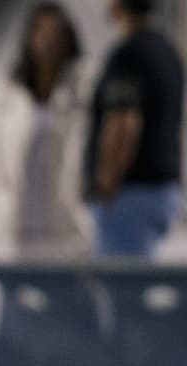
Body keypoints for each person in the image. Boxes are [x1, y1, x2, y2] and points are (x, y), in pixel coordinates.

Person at [0, 2, 91, 261]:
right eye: (41, 33)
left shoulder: (82, 88)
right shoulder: (2, 88)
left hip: (65, 229)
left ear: (67, 40)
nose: (48, 42)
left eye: (55, 34)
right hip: (10, 228)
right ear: (29, 38)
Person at [85, 0, 184, 257]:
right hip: (163, 191)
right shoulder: (167, 52)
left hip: (130, 195)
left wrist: (105, 185)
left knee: (122, 289)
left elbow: (124, 122)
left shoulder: (128, 54)